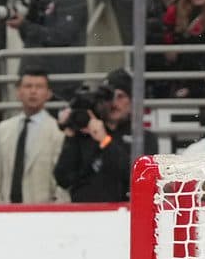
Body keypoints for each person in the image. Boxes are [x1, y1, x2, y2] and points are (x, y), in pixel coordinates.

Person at [53, 67, 158, 202]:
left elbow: (140, 178)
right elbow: (63, 179)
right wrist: (71, 136)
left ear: (132, 101)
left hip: (125, 214)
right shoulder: (84, 134)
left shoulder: (144, 138)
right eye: (109, 97)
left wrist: (105, 141)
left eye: (120, 96)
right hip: (84, 215)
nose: (114, 103)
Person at [8, 0, 87, 95]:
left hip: (59, 80)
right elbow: (30, 36)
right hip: (40, 74)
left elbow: (62, 36)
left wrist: (25, 25)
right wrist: (24, 22)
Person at [0, 68, 67, 205]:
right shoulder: (4, 129)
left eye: (39, 87)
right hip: (6, 212)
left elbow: (62, 183)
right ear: (18, 92)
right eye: (28, 86)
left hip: (43, 214)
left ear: (48, 93)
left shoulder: (58, 132)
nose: (33, 91)